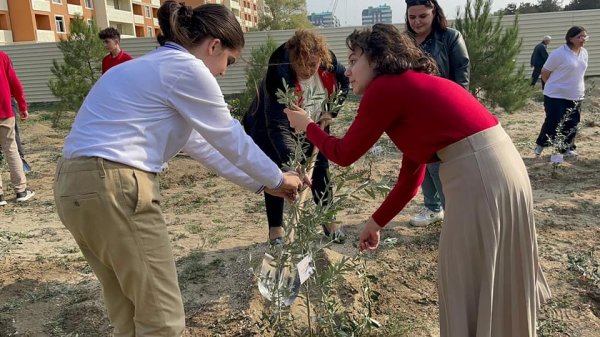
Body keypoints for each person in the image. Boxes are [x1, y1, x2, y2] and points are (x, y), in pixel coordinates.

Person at [284, 23, 551, 337]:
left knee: (464, 276)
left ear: (378, 59)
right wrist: (376, 222)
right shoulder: (410, 88)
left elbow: (343, 153)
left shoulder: (386, 88)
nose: (348, 71)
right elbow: (412, 176)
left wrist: (307, 125)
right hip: (503, 168)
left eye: (354, 60)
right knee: (493, 272)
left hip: (479, 176)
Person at [53, 2, 303, 335]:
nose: (224, 71)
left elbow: (205, 146)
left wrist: (263, 186)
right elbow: (230, 137)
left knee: (128, 313)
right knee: (162, 320)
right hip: (116, 188)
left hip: (73, 188)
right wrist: (278, 176)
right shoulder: (188, 69)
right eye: (229, 60)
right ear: (213, 45)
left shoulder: (147, 69)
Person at [242, 30, 349, 244]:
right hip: (271, 126)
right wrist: (293, 163)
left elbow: (344, 84)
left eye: (312, 64)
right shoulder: (278, 74)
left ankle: (328, 220)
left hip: (315, 122)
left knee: (321, 169)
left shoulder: (329, 61)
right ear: (291, 60)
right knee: (277, 172)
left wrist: (331, 111)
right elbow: (278, 126)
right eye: (300, 65)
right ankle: (276, 230)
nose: (307, 70)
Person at [404, 0, 469, 227]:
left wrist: (455, 107)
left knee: (439, 164)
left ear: (434, 12)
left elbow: (461, 73)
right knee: (422, 160)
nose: (417, 22)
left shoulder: (450, 37)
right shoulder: (405, 41)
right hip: (414, 112)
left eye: (423, 16)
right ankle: (433, 207)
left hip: (443, 109)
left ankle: (452, 212)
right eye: (412, 17)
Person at [534, 26, 588, 157]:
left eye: (584, 36)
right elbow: (545, 72)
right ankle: (541, 145)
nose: (583, 39)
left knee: (572, 122)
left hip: (576, 94)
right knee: (554, 120)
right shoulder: (559, 53)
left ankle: (567, 148)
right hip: (555, 94)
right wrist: (554, 85)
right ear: (570, 38)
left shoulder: (584, 52)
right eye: (579, 37)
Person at [0, 50, 35, 206]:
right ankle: (21, 191)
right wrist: (22, 106)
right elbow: (14, 83)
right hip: (4, 111)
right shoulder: (2, 57)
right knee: (11, 148)